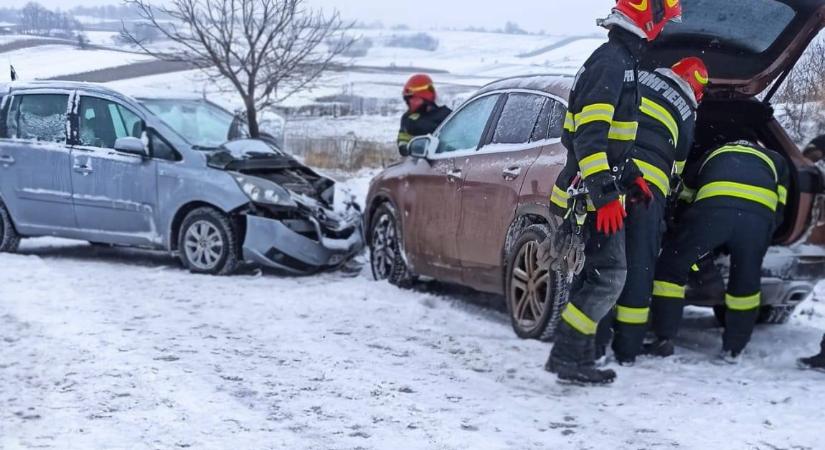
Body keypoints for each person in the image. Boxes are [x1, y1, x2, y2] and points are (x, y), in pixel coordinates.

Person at [542, 0, 682, 385]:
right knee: (609, 277)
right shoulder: (611, 64)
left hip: (592, 191)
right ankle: (570, 356)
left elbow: (616, 141)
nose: (663, 31)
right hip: (587, 196)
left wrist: (634, 176)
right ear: (646, 22)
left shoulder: (621, 62)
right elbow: (589, 138)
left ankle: (571, 357)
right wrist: (604, 196)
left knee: (594, 277)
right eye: (661, 22)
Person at [595, 57, 709, 365]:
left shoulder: (640, 77)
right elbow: (681, 159)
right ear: (695, 90)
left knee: (603, 261)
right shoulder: (685, 107)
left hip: (612, 174)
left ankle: (593, 343)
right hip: (647, 192)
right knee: (640, 265)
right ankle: (628, 349)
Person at [646, 134, 790, 363]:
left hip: (712, 215)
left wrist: (683, 230)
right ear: (758, 144)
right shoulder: (776, 159)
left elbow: (685, 194)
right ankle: (734, 349)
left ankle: (664, 339)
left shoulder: (713, 153)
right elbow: (782, 207)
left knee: (671, 268)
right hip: (756, 221)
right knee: (746, 281)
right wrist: (763, 235)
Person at [396, 74, 452, 156]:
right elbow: (403, 139)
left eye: (413, 99)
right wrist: (406, 148)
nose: (411, 102)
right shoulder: (408, 118)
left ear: (425, 97)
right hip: (416, 163)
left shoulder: (446, 116)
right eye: (408, 100)